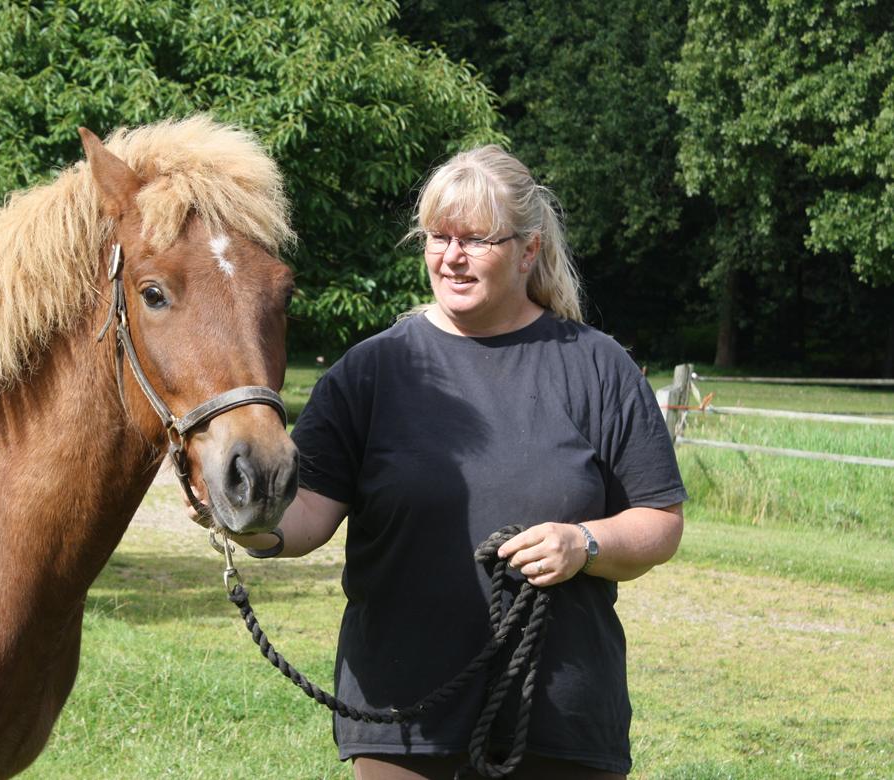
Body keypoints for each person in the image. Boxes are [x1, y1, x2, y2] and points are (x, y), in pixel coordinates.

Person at [208, 145, 686, 779]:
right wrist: (243, 515)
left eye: (475, 240)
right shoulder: (370, 372)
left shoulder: (598, 367)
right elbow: (308, 515)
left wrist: (584, 544)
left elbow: (660, 522)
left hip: (561, 718)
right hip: (401, 719)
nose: (451, 257)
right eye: (438, 237)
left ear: (529, 250)